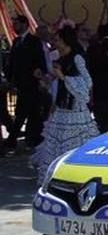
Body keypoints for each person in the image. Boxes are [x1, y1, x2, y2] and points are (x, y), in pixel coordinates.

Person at [31, 26, 99, 183]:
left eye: (58, 39)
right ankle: (58, 177)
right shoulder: (61, 58)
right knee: (55, 143)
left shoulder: (77, 58)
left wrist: (63, 77)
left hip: (75, 109)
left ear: (66, 40)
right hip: (62, 108)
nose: (55, 42)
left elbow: (88, 82)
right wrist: (44, 78)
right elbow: (55, 81)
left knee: (74, 143)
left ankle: (75, 176)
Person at [8, 16, 48, 149]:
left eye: (17, 24)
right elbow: (12, 63)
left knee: (29, 112)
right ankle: (21, 138)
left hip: (32, 83)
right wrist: (9, 79)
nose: (14, 26)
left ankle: (22, 138)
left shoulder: (34, 41)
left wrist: (39, 77)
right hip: (20, 83)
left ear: (25, 25)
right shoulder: (16, 41)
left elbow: (40, 62)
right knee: (24, 112)